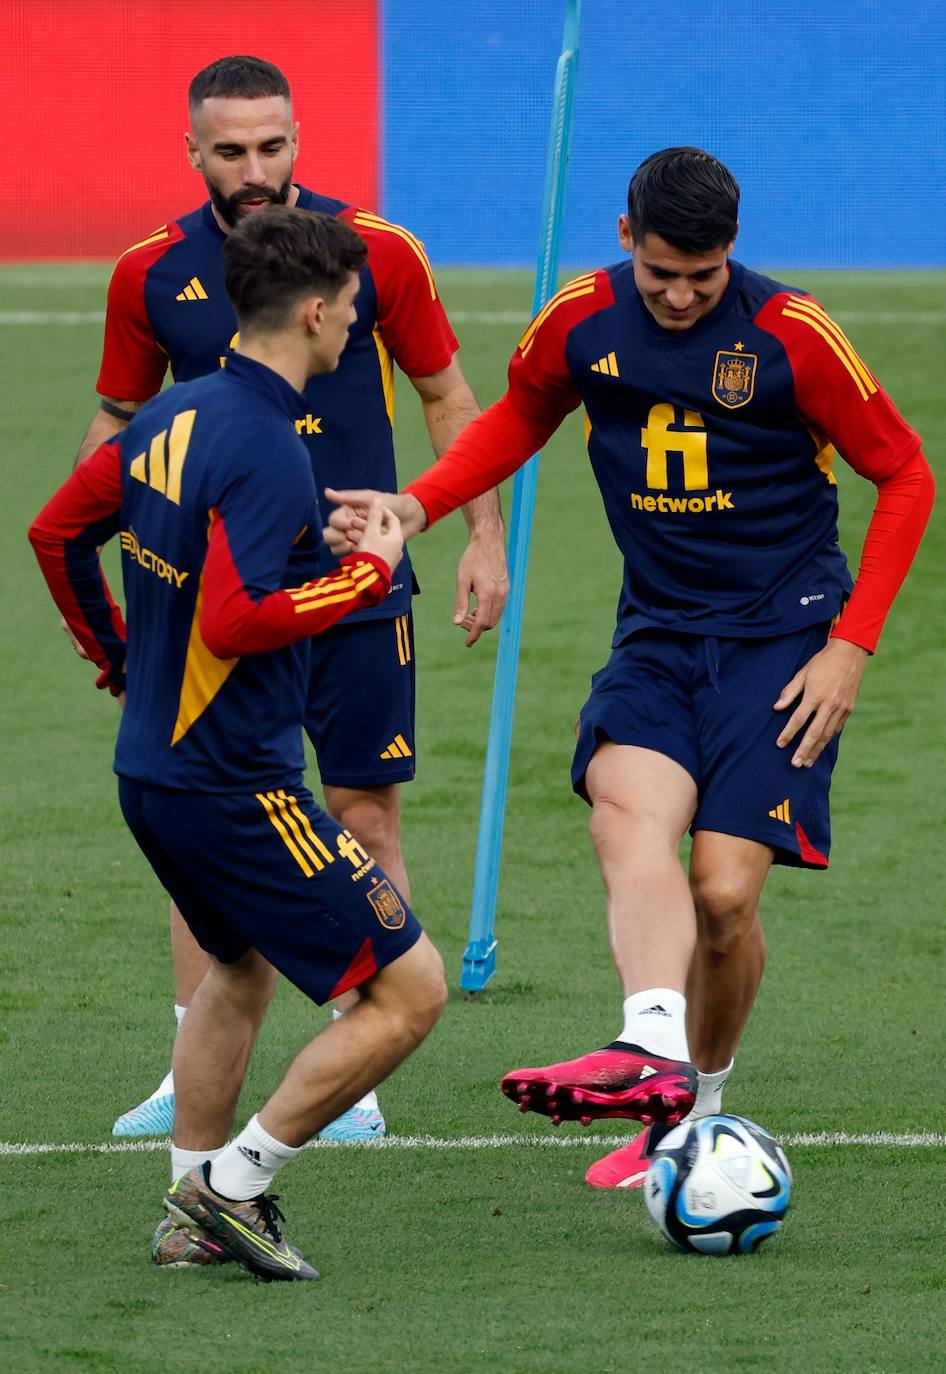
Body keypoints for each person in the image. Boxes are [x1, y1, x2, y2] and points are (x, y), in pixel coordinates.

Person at [325, 147, 935, 1188]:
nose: (683, 294)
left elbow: (905, 473)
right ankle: (651, 1038)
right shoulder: (578, 319)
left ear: (732, 251)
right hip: (655, 631)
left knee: (726, 895)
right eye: (662, 274)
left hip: (784, 640)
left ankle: (699, 1100)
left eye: (704, 275)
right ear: (624, 239)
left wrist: (851, 645)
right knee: (626, 811)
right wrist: (418, 507)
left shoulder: (793, 336)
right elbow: (522, 413)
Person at [70, 54, 505, 1143]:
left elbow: (449, 397)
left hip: (359, 589)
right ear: (192, 152)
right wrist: (134, 572)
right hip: (220, 597)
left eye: (272, 146)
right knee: (214, 817)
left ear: (299, 140)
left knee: (361, 810)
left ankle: (355, 1064)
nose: (253, 169)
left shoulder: (377, 255)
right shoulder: (149, 274)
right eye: (230, 151)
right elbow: (118, 425)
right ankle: (192, 1070)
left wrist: (480, 538)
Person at [30, 206, 448, 1281]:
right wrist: (368, 571)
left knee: (240, 969)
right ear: (313, 312)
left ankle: (184, 1216)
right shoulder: (266, 440)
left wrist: (117, 659)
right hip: (235, 786)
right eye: (350, 309)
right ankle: (234, 1184)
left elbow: (59, 530)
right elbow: (235, 618)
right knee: (409, 992)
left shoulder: (176, 413)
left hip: (153, 771)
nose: (357, 326)